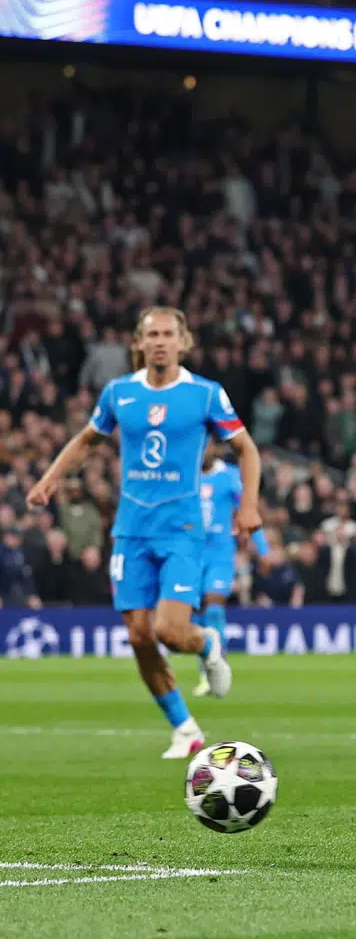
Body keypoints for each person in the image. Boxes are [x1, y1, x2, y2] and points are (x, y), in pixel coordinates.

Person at [27, 308, 260, 758]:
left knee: (170, 631)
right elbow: (85, 441)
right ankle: (185, 727)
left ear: (183, 342)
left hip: (181, 528)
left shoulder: (205, 394)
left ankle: (207, 640)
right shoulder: (120, 393)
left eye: (168, 334)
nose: (159, 342)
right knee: (138, 636)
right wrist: (50, 477)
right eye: (151, 334)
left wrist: (248, 505)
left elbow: (247, 450)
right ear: (139, 342)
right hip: (132, 530)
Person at [192, 440, 271, 697]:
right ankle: (207, 670)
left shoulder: (228, 477)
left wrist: (263, 550)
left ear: (213, 448)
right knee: (195, 615)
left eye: (206, 446)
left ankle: (218, 668)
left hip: (220, 554)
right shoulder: (185, 475)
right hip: (189, 553)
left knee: (213, 608)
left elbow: (248, 510)